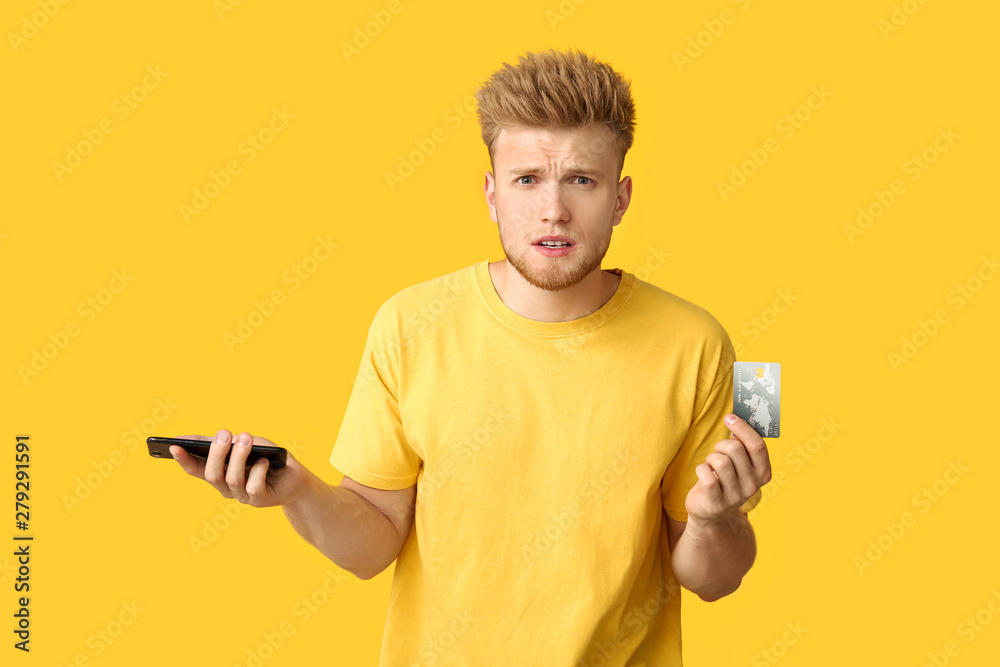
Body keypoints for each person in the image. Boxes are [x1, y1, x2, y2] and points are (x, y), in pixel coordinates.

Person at [170, 47, 772, 666]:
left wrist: (715, 521)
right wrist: (296, 490)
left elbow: (715, 579)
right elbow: (371, 546)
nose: (553, 210)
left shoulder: (700, 344)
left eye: (581, 180)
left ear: (621, 198)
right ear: (491, 194)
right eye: (527, 179)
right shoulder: (407, 324)